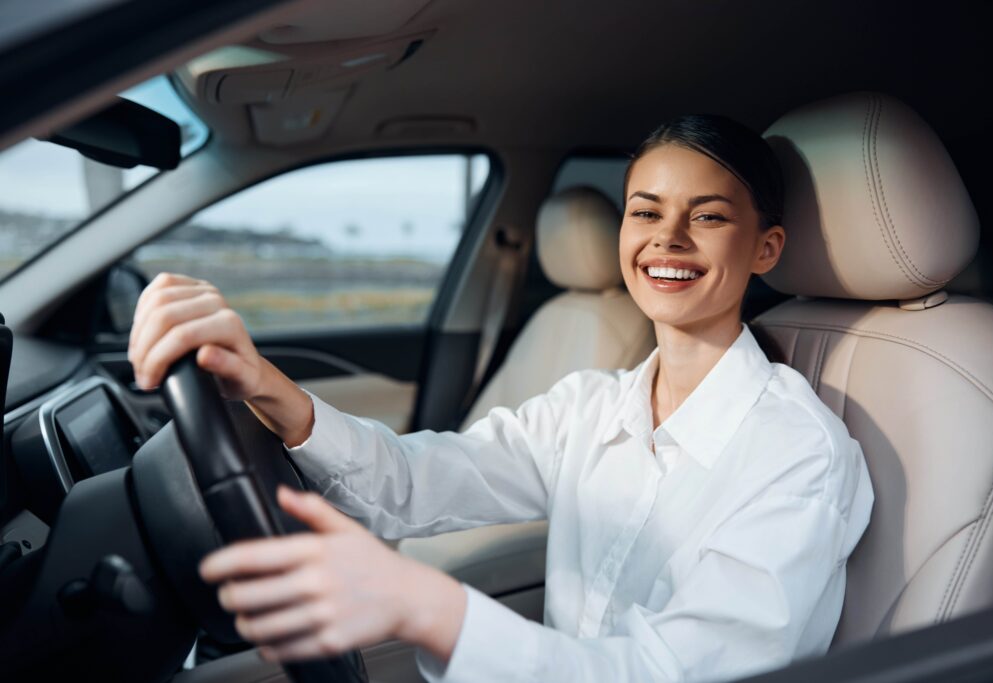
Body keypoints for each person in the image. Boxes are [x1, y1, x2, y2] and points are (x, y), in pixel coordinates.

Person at [128, 115, 874, 683]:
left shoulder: (796, 451)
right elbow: (421, 479)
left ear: (767, 247)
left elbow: (673, 672)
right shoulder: (592, 405)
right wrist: (268, 388)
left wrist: (431, 608)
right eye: (645, 211)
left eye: (707, 216)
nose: (667, 239)